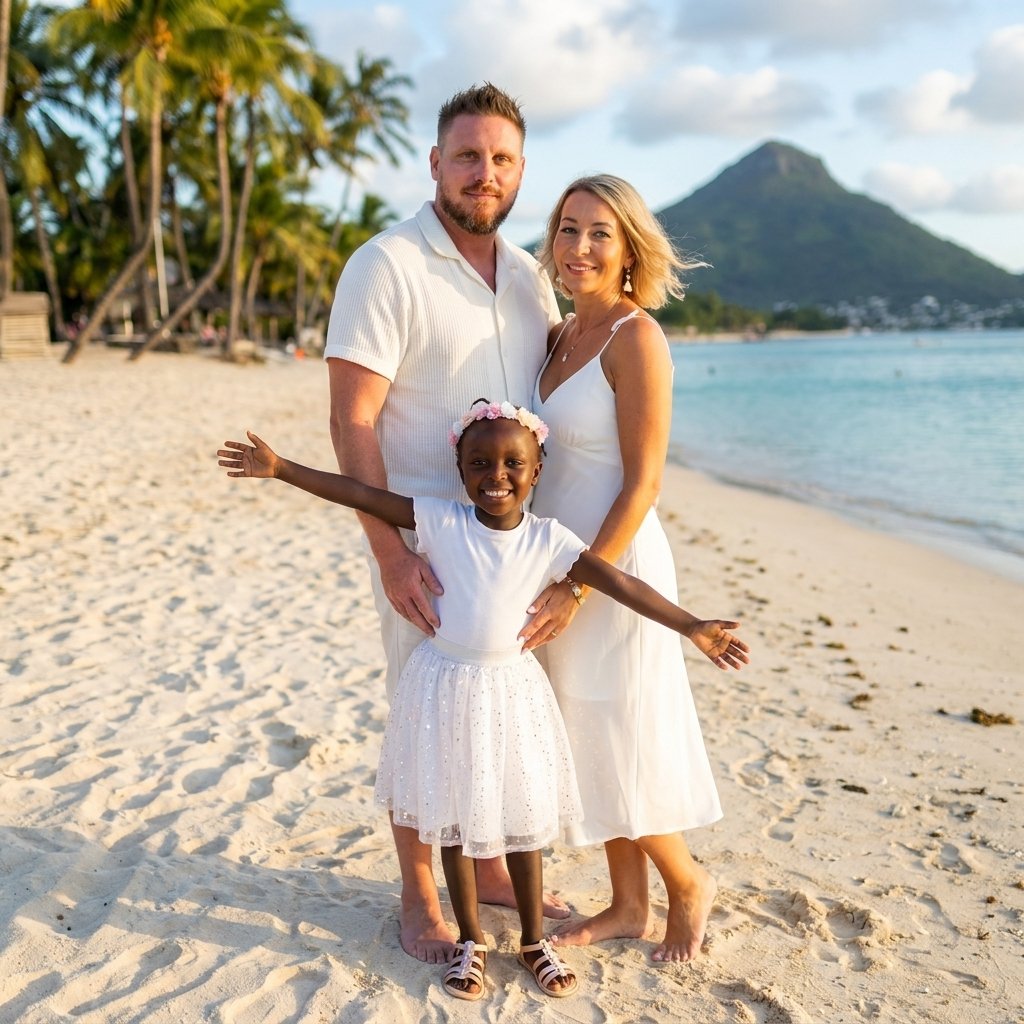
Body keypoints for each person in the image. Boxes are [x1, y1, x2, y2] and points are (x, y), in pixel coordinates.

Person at [217, 400, 749, 1001]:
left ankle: (531, 941)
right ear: (460, 469)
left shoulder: (552, 541)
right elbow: (361, 495)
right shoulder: (440, 520)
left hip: (513, 691)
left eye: (512, 463)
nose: (497, 475)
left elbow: (620, 583)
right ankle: (470, 940)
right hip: (445, 685)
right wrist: (282, 467)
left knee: (521, 821)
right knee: (451, 813)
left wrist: (691, 626)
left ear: (537, 468)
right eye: (480, 463)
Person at [323, 83, 563, 963]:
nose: (483, 173)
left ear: (521, 172)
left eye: (501, 159)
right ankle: (418, 889)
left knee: (495, 713)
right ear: (434, 163)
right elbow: (352, 419)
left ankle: (493, 870)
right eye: (467, 156)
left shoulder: (534, 278)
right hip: (423, 543)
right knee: (421, 717)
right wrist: (388, 553)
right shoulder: (385, 264)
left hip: (513, 550)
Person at [526, 174, 723, 963]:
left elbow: (643, 481)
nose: (579, 247)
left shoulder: (635, 338)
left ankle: (686, 884)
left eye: (598, 233)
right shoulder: (558, 335)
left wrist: (580, 582)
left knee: (622, 727)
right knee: (587, 729)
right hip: (560, 557)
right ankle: (628, 903)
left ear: (629, 247)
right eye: (568, 229)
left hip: (612, 561)